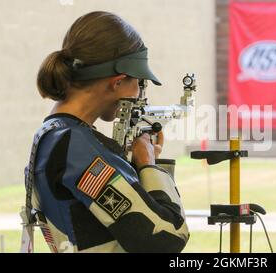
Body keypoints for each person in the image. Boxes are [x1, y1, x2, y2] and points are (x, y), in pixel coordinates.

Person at [26, 11, 189, 253]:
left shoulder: (54, 134)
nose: (138, 95)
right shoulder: (79, 148)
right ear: (117, 82)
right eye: (139, 83)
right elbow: (167, 237)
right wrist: (149, 165)